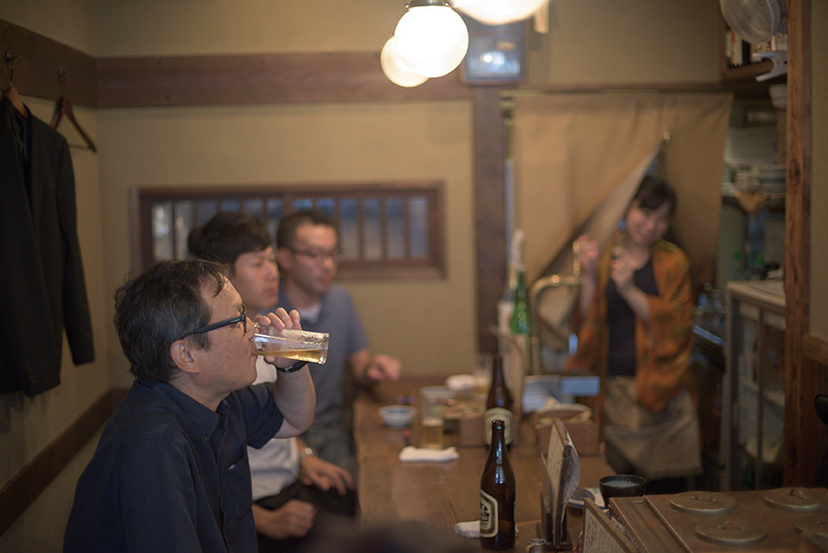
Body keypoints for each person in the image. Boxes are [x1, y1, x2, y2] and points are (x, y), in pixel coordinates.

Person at [63, 259, 315, 553]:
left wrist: (293, 361)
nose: (252, 326)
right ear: (187, 355)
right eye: (237, 320)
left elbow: (294, 419)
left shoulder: (217, 396)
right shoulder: (154, 445)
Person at [188, 211, 357, 552]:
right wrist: (261, 520)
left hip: (287, 479)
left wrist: (304, 456)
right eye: (259, 263)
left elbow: (285, 415)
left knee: (348, 495)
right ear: (222, 277)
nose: (273, 273)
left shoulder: (266, 329)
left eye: (271, 261)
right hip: (252, 507)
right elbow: (198, 470)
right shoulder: (216, 354)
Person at [565, 176, 700, 494]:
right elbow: (583, 321)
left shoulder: (674, 262)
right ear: (629, 206)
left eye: (662, 218)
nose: (651, 225)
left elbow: (680, 327)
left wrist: (629, 290)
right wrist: (588, 274)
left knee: (668, 497)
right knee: (615, 495)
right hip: (612, 393)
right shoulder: (604, 252)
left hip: (664, 397)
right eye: (646, 212)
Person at [276, 209, 402, 476]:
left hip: (329, 428)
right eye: (315, 254)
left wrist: (373, 369)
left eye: (333, 253)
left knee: (366, 485)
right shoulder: (268, 309)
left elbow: (360, 366)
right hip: (277, 433)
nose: (328, 264)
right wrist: (303, 455)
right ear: (285, 258)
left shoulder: (341, 299)